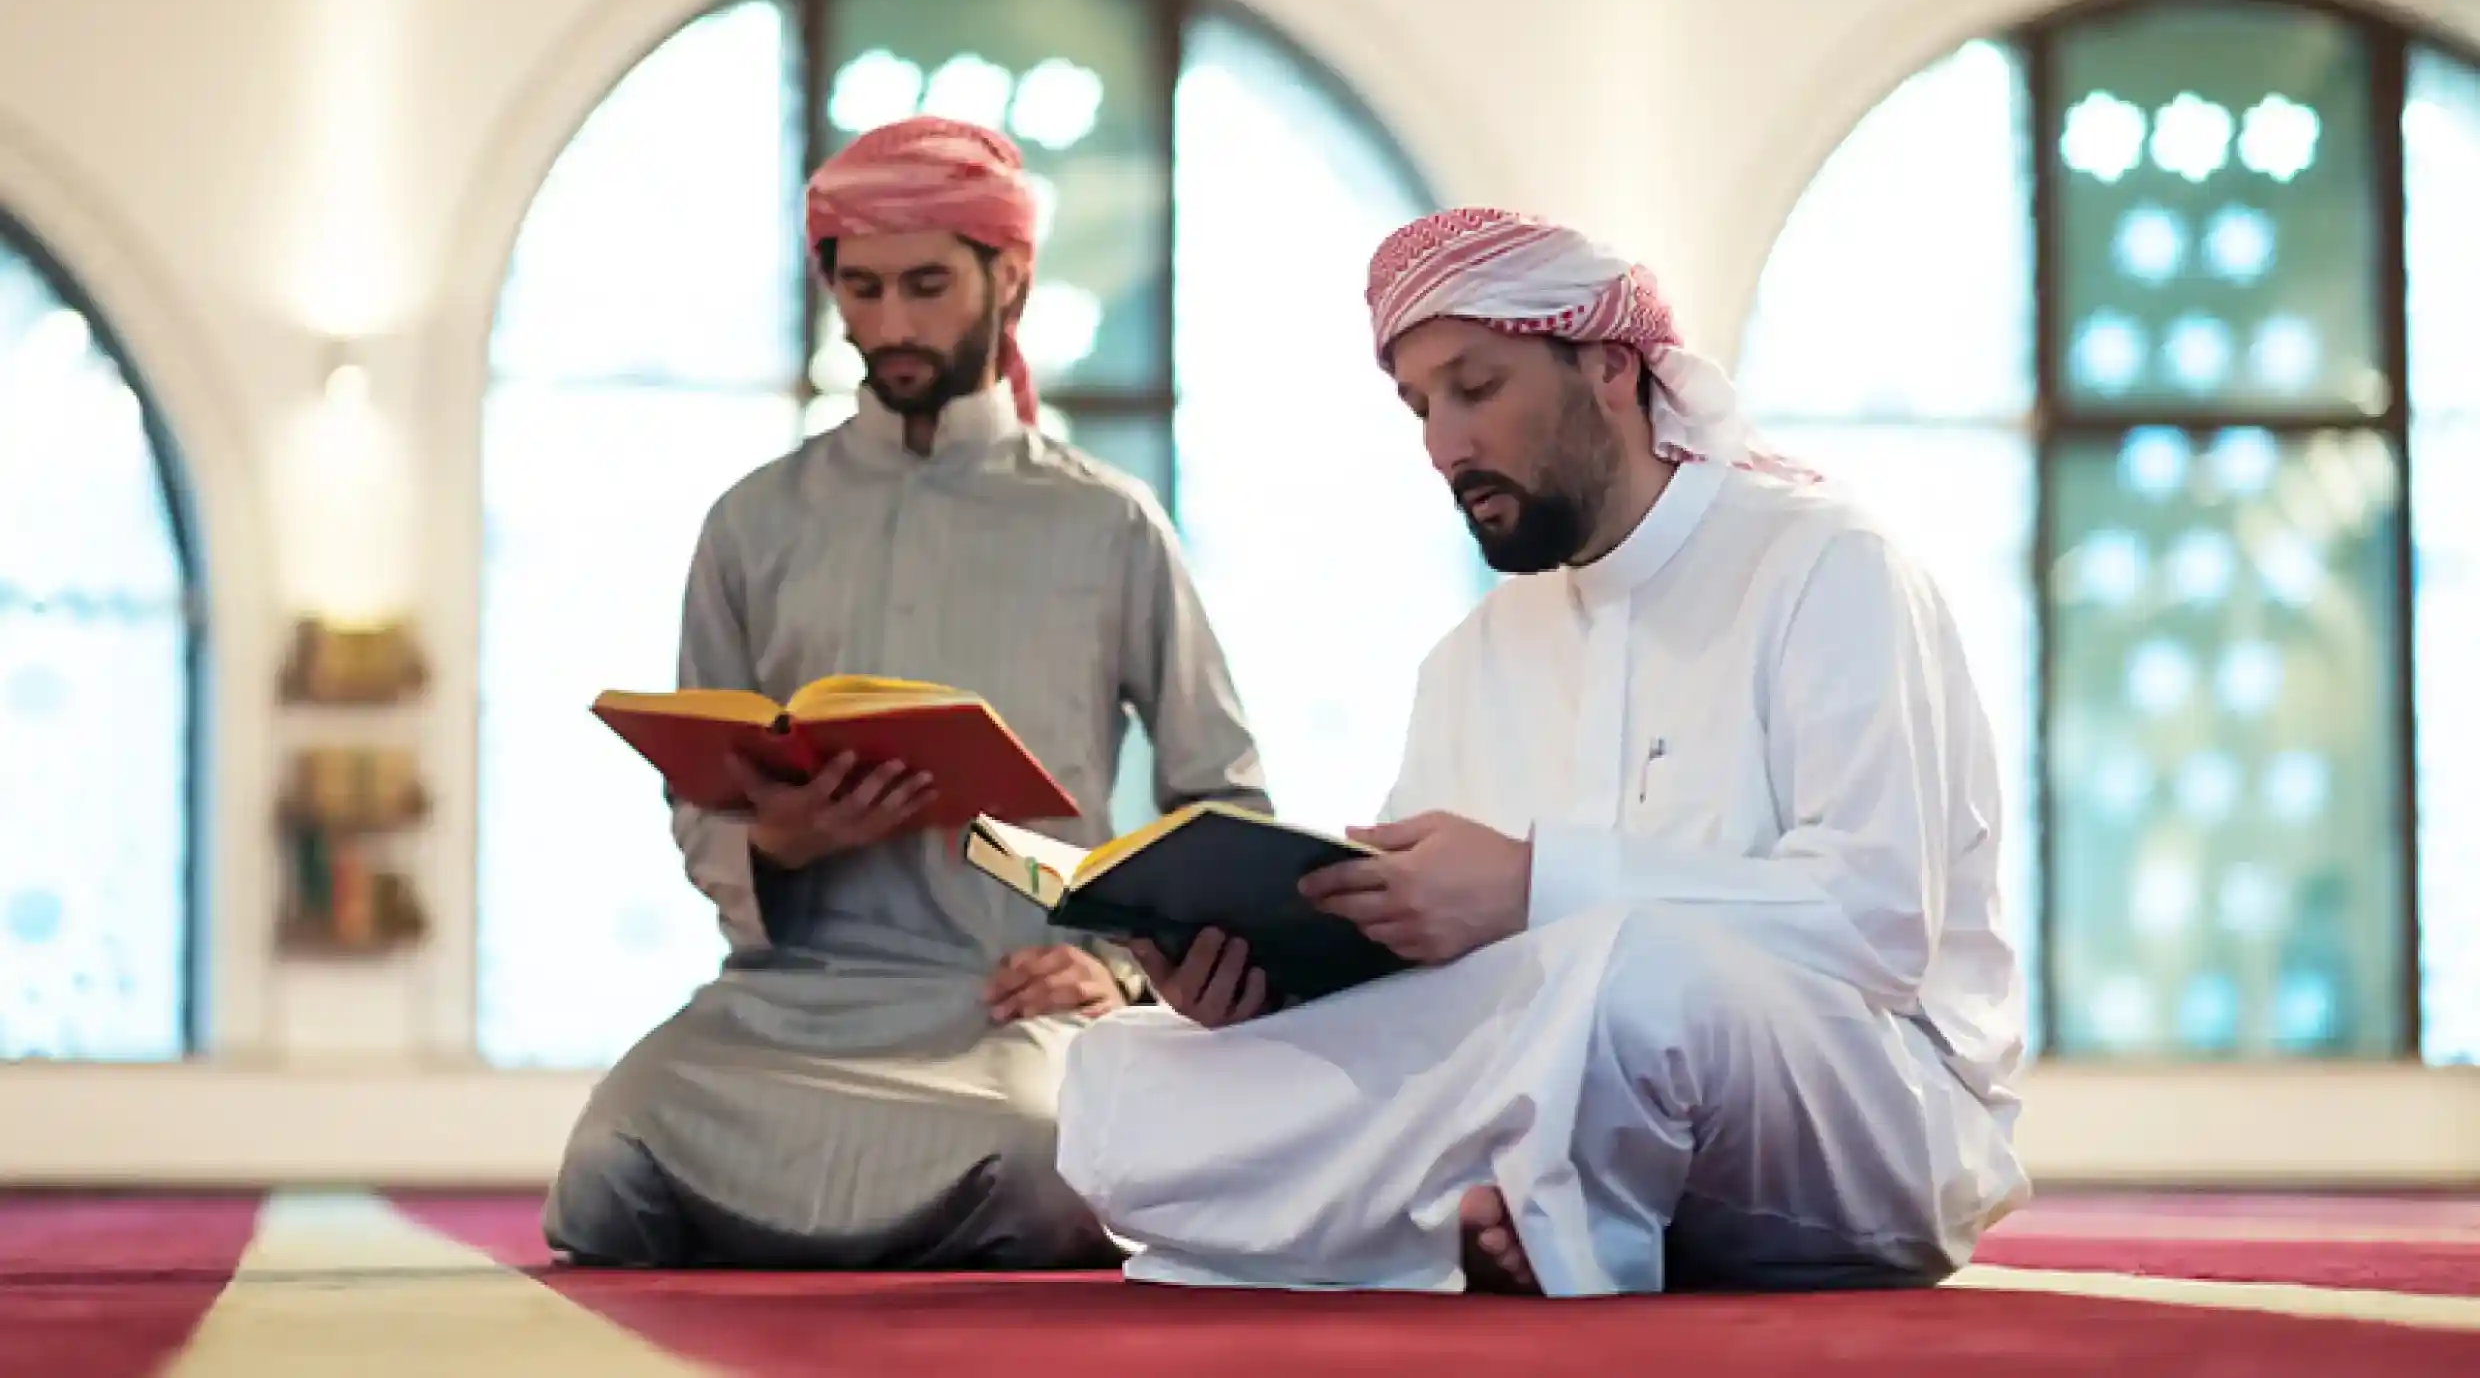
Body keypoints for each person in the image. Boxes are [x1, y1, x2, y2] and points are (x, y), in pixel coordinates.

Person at [1053, 207, 2032, 1296]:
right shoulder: (1467, 660)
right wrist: (1262, 990)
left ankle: (1493, 1211)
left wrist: (1531, 886)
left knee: (1637, 978)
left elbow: (1876, 922)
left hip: (1858, 1108)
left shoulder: (1824, 564)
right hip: (1549, 1083)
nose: (1441, 444)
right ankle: (1532, 1206)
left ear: (1609, 365)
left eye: (1475, 388)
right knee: (1128, 1075)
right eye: (1418, 406)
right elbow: (1427, 979)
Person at [545, 116, 1270, 1270]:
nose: (889, 325)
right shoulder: (752, 521)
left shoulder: (1107, 521)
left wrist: (1123, 967)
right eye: (862, 286)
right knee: (604, 1175)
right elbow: (701, 807)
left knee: (1038, 1171)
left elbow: (1222, 800)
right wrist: (776, 841)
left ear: (1010, 276)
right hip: (782, 1000)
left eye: (926, 284)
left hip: (1001, 1002)